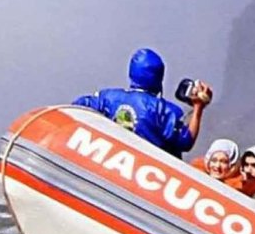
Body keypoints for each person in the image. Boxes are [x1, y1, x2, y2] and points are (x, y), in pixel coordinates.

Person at [73, 47, 211, 157]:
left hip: (110, 162)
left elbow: (78, 105)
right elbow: (185, 141)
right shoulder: (165, 111)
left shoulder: (107, 97)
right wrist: (198, 107)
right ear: (159, 77)